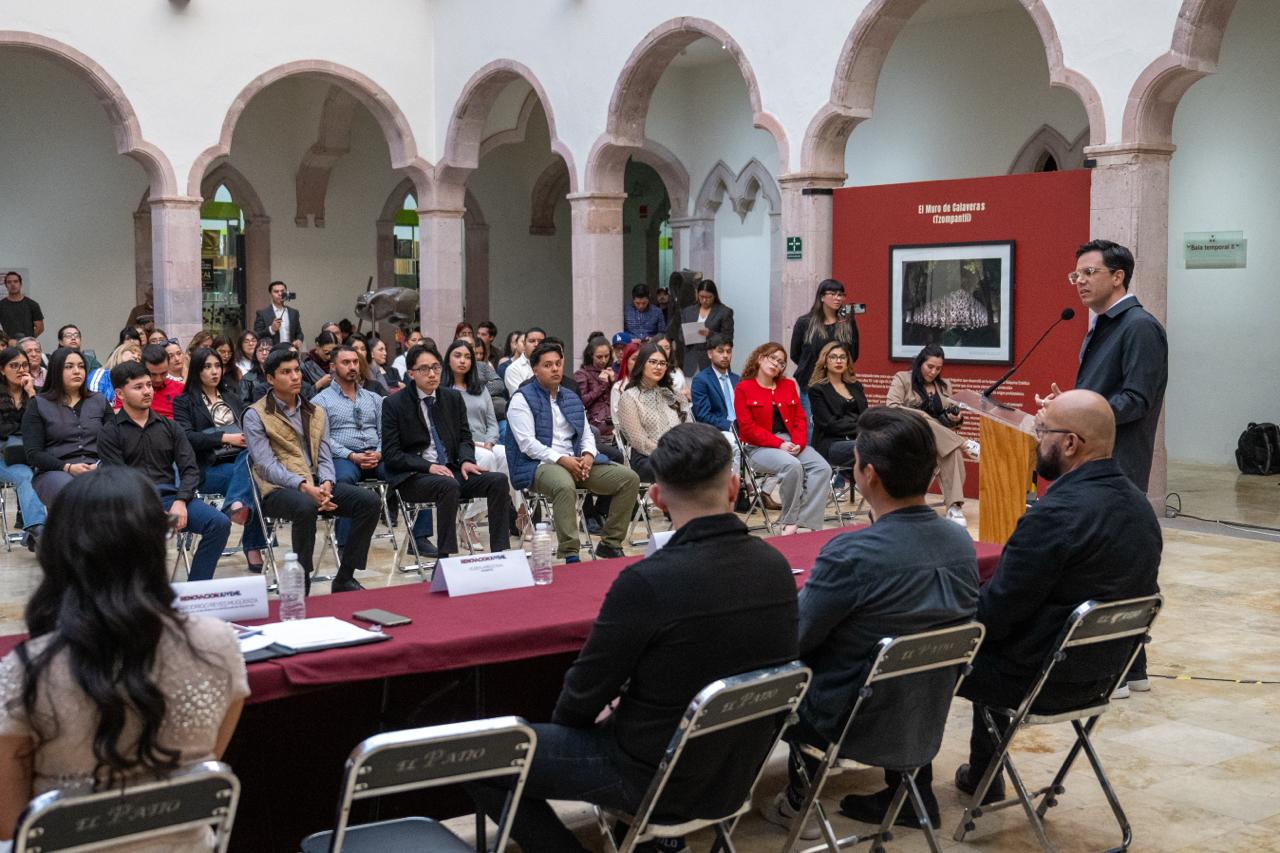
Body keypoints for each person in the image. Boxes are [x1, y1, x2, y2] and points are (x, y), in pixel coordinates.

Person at [473, 423, 799, 853]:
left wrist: (582, 732)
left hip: (652, 775)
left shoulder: (647, 582)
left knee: (482, 757)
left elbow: (580, 698)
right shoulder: (777, 567)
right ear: (735, 488)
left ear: (657, 498)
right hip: (735, 772)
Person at [0, 467, 248, 853]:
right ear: (156, 542)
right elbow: (203, 767)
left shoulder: (27, 671)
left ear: (59, 549)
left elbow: (12, 831)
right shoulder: (219, 644)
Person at [763, 407, 979, 836]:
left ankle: (797, 801)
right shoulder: (959, 541)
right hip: (925, 707)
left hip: (849, 714)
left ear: (869, 475)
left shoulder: (851, 554)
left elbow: (797, 639)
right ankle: (915, 792)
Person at [952, 390, 1161, 805]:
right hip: (1104, 673)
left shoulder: (1056, 514)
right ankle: (982, 775)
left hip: (1040, 680)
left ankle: (904, 793)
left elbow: (996, 614)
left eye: (1042, 431)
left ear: (1070, 444)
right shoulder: (1140, 507)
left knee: (925, 656)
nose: (1035, 439)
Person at [243, 348, 381, 593]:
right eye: (286, 372)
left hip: (317, 483)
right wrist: (304, 487)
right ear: (271, 379)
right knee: (305, 507)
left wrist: (327, 483)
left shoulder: (315, 411)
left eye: (297, 370)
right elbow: (266, 465)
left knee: (369, 501)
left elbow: (325, 454)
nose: (295, 377)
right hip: (279, 490)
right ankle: (301, 583)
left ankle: (345, 576)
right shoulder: (256, 414)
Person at [99, 362, 232, 583]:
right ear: (120, 393)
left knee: (218, 523)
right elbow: (118, 480)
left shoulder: (169, 427)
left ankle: (197, 590)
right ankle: (141, 594)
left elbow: (189, 469)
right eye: (138, 387)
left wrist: (181, 501)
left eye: (149, 385)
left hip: (172, 498)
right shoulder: (110, 432)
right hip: (133, 504)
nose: (147, 391)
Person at [1054, 239, 1169, 494]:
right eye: (1076, 275)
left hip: (1118, 466)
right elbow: (1103, 392)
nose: (1080, 281)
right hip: (1089, 460)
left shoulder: (1139, 327)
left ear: (1118, 277)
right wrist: (1067, 404)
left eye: (1089, 272)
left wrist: (1079, 413)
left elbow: (1135, 399)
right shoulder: (1104, 324)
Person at [506, 343, 639, 561]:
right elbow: (527, 444)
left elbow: (586, 433)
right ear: (535, 369)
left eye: (558, 364)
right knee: (563, 484)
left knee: (629, 479)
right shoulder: (522, 399)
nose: (555, 369)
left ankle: (610, 543)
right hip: (538, 465)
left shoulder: (570, 397)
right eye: (548, 365)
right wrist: (562, 460)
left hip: (576, 462)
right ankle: (570, 552)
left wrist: (587, 455)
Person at [382, 344, 512, 556]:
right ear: (411, 373)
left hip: (450, 470)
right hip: (414, 476)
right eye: (424, 369)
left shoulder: (451, 398)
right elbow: (391, 454)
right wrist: (429, 466)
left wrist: (467, 460)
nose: (432, 374)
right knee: (448, 485)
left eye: (436, 367)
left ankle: (501, 553)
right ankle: (445, 558)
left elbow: (464, 438)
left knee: (497, 481)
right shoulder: (394, 404)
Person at [311, 344, 433, 554]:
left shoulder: (374, 398)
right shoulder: (320, 401)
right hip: (344, 457)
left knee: (413, 472)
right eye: (346, 362)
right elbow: (323, 439)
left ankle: (420, 538)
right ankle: (345, 545)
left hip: (377, 455)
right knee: (343, 483)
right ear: (332, 367)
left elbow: (386, 431)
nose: (352, 367)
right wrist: (351, 455)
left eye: (355, 362)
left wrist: (379, 451)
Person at [173, 348, 266, 571]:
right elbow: (186, 437)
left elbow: (250, 425)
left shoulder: (232, 397)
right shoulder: (184, 401)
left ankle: (236, 504)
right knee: (255, 483)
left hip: (239, 460)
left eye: (217, 366)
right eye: (207, 367)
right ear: (196, 371)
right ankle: (252, 545)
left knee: (254, 468)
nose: (214, 371)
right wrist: (225, 437)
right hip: (208, 466)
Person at [734, 342, 832, 535]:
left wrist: (798, 443)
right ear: (761, 358)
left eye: (781, 362)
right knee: (792, 466)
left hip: (790, 442)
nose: (777, 364)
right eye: (773, 358)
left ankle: (805, 520)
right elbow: (747, 428)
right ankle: (789, 521)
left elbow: (800, 419)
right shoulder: (744, 388)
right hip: (759, 448)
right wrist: (779, 444)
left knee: (822, 468)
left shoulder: (787, 386)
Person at [886, 344, 977, 525]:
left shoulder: (944, 385)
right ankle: (965, 444)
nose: (934, 371)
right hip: (909, 435)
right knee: (924, 421)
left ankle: (954, 506)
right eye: (930, 367)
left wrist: (954, 418)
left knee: (951, 451)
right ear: (920, 362)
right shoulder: (903, 379)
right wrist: (921, 415)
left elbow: (948, 423)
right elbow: (892, 407)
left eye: (938, 368)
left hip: (937, 440)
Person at [442, 339, 524, 535]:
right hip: (460, 446)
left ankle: (520, 513)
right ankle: (469, 520)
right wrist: (477, 444)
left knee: (507, 454)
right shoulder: (442, 390)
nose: (463, 361)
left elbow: (492, 422)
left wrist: (490, 441)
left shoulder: (481, 388)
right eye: (458, 356)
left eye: (467, 357)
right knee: (487, 458)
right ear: (448, 360)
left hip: (485, 442)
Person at [22, 347, 109, 506]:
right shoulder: (38, 404)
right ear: (56, 370)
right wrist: (67, 467)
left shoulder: (99, 400)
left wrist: (100, 466)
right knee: (74, 492)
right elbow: (33, 453)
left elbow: (115, 442)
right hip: (56, 471)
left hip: (98, 468)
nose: (77, 371)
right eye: (69, 366)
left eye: (81, 366)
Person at [790, 279, 859, 429]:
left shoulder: (847, 322)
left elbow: (853, 353)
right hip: (811, 383)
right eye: (833, 294)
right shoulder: (805, 323)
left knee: (840, 424)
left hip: (840, 383)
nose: (838, 298)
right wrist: (817, 368)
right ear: (822, 297)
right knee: (811, 428)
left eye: (841, 294)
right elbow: (796, 354)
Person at [616, 340, 686, 481]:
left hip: (678, 455)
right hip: (646, 458)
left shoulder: (674, 395)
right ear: (642, 364)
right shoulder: (629, 397)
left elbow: (688, 430)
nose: (658, 367)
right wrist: (668, 453)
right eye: (653, 362)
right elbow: (638, 441)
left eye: (662, 363)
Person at [0, 346, 46, 547]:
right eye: (14, 365)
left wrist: (31, 392)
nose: (21, 369)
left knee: (50, 471)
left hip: (32, 454)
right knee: (26, 475)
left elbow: (44, 423)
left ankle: (36, 532)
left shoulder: (37, 394)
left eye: (24, 365)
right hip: (3, 457)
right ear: (2, 370)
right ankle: (39, 530)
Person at [690, 333, 745, 475]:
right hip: (719, 430)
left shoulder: (737, 380)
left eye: (728, 351)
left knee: (774, 445)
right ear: (710, 354)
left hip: (743, 428)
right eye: (720, 351)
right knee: (736, 446)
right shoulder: (701, 380)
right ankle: (737, 490)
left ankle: (761, 490)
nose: (725, 355)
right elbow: (703, 415)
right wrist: (731, 425)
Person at [808, 341, 868, 468]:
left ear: (847, 361)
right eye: (833, 357)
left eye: (842, 357)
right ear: (825, 361)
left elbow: (865, 415)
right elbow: (830, 425)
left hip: (858, 439)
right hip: (832, 443)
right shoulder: (817, 390)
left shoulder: (856, 386)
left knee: (886, 447)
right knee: (873, 448)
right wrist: (861, 427)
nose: (838, 361)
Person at [679, 279, 735, 374]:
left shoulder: (724, 312)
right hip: (691, 360)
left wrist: (710, 334)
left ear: (714, 296)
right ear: (697, 294)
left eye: (709, 297)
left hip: (713, 361)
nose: (704, 300)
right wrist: (688, 335)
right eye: (701, 297)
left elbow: (728, 338)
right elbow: (680, 334)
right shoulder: (688, 311)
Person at [574, 336, 615, 443]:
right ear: (591, 356)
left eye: (606, 356)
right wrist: (602, 385)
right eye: (599, 357)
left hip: (615, 426)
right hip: (596, 427)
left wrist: (615, 382)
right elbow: (582, 401)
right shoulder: (582, 374)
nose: (604, 360)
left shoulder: (612, 372)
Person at [253, 280, 304, 346]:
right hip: (272, 352)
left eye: (282, 291)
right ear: (271, 294)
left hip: (290, 351)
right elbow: (256, 335)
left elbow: (299, 333)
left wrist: (299, 340)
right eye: (276, 291)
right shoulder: (262, 314)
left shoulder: (294, 313)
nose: (280, 294)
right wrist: (271, 329)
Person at [140, 343, 185, 419]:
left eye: (163, 373)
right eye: (153, 374)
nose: (158, 379)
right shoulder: (129, 390)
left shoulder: (180, 389)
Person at [0, 271, 43, 341]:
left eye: (15, 281)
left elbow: (40, 327)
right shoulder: (1, 305)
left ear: (20, 284)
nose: (12, 284)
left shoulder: (32, 304)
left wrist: (29, 340)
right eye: (9, 282)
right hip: (9, 345)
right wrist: (6, 341)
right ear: (5, 285)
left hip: (28, 344)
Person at [503, 326, 544, 396]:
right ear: (524, 344)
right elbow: (520, 396)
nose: (536, 344)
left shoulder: (551, 366)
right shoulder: (513, 369)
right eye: (532, 341)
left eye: (540, 342)